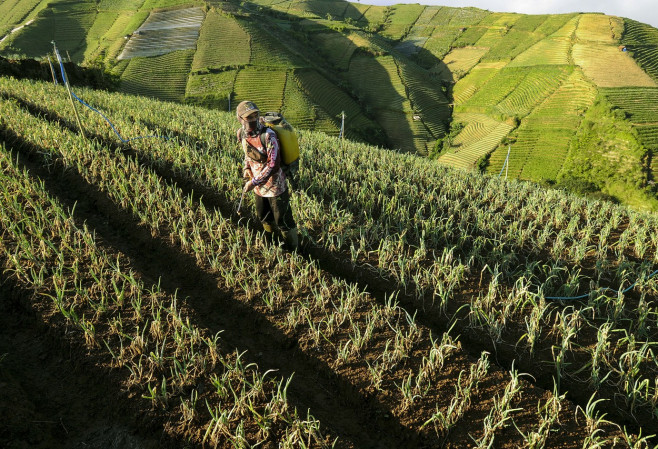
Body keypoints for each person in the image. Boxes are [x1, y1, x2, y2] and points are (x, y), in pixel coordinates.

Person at [236, 100, 298, 250]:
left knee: (283, 220)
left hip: (276, 187)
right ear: (240, 119)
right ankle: (271, 242)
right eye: (248, 117)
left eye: (255, 115)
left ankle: (294, 250)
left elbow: (273, 164)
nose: (252, 120)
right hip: (259, 188)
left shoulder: (268, 135)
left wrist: (254, 182)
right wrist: (246, 169)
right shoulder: (242, 134)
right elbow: (248, 155)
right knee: (264, 217)